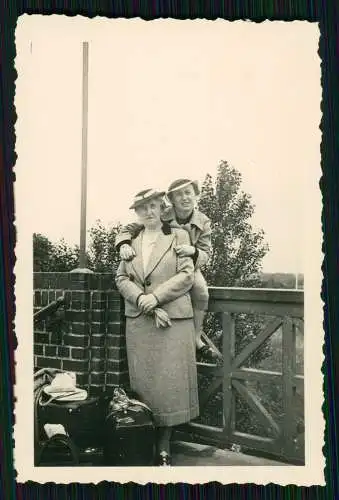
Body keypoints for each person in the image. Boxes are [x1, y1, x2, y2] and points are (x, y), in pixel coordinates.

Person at [115, 188, 199, 466]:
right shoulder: (130, 243)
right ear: (136, 214)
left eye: (153, 206)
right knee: (145, 386)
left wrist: (155, 297)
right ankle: (143, 443)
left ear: (162, 208)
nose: (148, 212)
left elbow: (187, 275)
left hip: (172, 323)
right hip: (141, 322)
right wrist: (141, 299)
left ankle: (164, 447)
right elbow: (121, 278)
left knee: (169, 386)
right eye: (142, 208)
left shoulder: (179, 236)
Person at [115, 178, 220, 362]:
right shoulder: (163, 213)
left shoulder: (203, 221)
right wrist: (123, 243)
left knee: (201, 289)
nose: (184, 198)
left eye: (188, 193)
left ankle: (196, 335)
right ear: (170, 200)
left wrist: (193, 251)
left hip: (188, 263)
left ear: (196, 195)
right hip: (163, 264)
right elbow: (131, 228)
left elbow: (206, 253)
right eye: (179, 195)